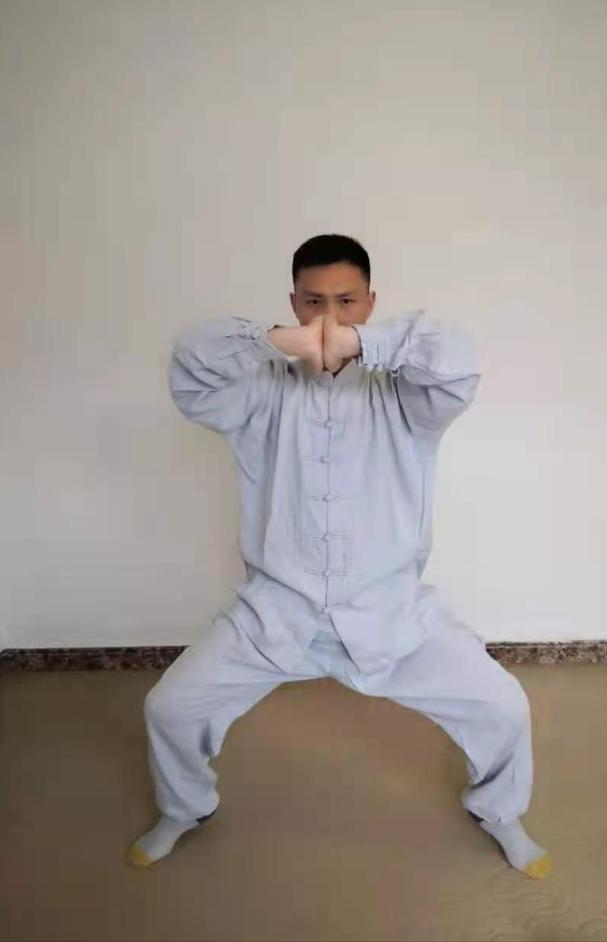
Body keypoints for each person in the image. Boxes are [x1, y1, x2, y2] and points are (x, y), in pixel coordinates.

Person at [127, 233, 552, 879]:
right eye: (314, 302)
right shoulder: (260, 391)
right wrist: (273, 341)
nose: (328, 317)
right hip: (277, 611)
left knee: (503, 706)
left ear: (370, 302)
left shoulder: (410, 397)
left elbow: (457, 357)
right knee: (171, 707)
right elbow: (190, 362)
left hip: (389, 611)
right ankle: (185, 809)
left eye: (347, 301)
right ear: (293, 303)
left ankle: (499, 812)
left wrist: (363, 344)